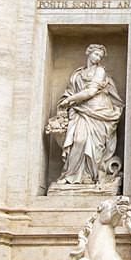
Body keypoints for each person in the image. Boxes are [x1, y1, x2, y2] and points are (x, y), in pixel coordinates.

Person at [47, 45, 122, 187]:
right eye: (95, 54)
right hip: (80, 110)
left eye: (100, 56)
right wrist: (66, 101)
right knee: (78, 140)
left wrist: (70, 100)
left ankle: (90, 176)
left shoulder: (100, 71)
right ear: (89, 53)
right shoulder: (78, 74)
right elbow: (70, 91)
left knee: (94, 145)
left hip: (99, 111)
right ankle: (71, 175)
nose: (97, 58)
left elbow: (91, 92)